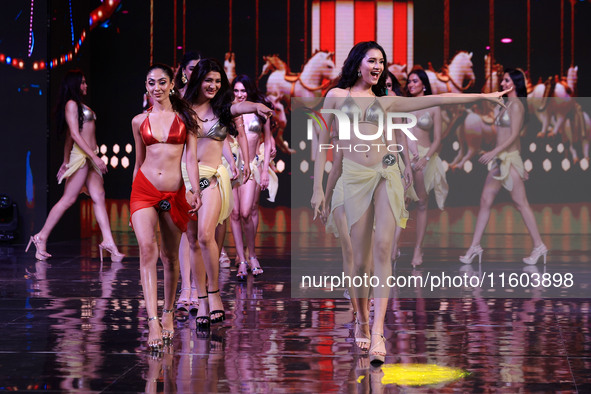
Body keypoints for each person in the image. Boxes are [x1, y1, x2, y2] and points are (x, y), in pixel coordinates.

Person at [311, 41, 509, 365]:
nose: (377, 66)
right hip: (353, 178)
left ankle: (377, 331)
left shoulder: (387, 101)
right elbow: (322, 145)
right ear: (357, 62)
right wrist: (319, 189)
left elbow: (438, 98)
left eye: (381, 62)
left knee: (384, 248)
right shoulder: (335, 96)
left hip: (385, 175)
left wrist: (483, 96)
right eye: (372, 60)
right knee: (359, 262)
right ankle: (361, 318)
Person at [182, 59, 272, 329]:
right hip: (187, 177)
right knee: (194, 241)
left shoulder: (223, 109)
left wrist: (256, 105)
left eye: (218, 81)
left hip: (213, 177)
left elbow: (240, 107)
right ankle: (201, 299)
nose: (213, 85)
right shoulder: (184, 110)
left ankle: (215, 293)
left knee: (205, 235)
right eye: (208, 80)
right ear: (198, 80)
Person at [130, 64, 201, 350]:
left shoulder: (186, 117)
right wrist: (133, 193)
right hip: (144, 189)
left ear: (171, 84)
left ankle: (169, 312)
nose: (156, 88)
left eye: (161, 82)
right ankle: (152, 321)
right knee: (147, 250)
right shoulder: (138, 121)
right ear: (145, 86)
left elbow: (191, 158)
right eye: (151, 83)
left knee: (170, 258)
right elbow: (138, 159)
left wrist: (195, 189)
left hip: (174, 191)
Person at [26, 70, 123, 262]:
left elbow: (70, 138)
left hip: (89, 155)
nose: (86, 86)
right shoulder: (71, 104)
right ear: (74, 84)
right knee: (68, 199)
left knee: (99, 196)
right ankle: (41, 237)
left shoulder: (80, 106)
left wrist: (65, 160)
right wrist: (90, 159)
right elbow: (75, 135)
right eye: (83, 83)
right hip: (83, 156)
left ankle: (109, 241)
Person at [460, 68, 548, 265]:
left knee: (520, 203)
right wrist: (492, 151)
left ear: (515, 83)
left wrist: (495, 152)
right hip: (500, 160)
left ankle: (539, 245)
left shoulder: (517, 106)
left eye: (506, 80)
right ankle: (474, 246)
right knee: (485, 200)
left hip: (508, 159)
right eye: (502, 80)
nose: (502, 84)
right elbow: (502, 134)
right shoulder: (503, 106)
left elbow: (515, 135)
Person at [392, 69, 448, 266]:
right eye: (408, 81)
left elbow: (438, 137)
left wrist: (427, 157)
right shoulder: (404, 106)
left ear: (424, 84)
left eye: (414, 81)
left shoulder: (434, 105)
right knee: (403, 201)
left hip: (426, 156)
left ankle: (418, 250)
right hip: (407, 155)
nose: (410, 85)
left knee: (422, 202)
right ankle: (393, 247)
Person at [230, 74, 276, 280]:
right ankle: (241, 259)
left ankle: (252, 255)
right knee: (235, 214)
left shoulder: (260, 109)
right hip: (230, 165)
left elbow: (268, 140)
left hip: (252, 165)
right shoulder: (228, 110)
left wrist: (265, 170)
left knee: (247, 211)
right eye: (236, 90)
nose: (240, 95)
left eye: (243, 90)